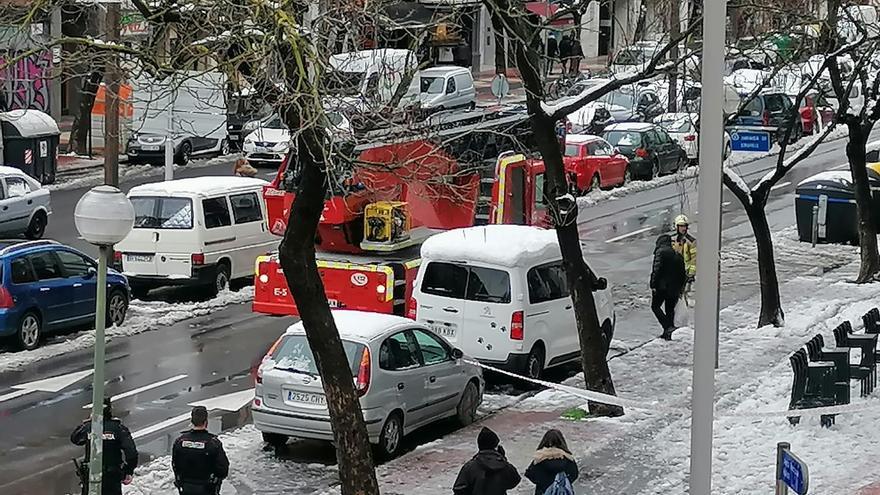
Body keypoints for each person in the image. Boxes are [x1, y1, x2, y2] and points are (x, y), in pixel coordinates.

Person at [70, 399, 139, 495]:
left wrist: (88, 423)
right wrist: (128, 471)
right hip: (112, 477)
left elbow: (75, 439)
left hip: (91, 476)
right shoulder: (118, 428)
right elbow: (131, 453)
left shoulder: (90, 427)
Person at [172, 406, 230, 495]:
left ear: (192, 421)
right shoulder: (213, 443)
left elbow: (175, 465)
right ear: (206, 422)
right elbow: (223, 469)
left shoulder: (180, 442)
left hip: (186, 488)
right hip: (207, 488)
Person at [453, 427, 521, 495]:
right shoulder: (504, 465)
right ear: (495, 446)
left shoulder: (470, 467)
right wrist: (502, 459)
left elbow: (459, 489)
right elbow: (515, 480)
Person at [650, 234, 687, 340]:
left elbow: (656, 270)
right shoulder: (677, 255)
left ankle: (668, 327)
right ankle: (668, 333)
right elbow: (682, 273)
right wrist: (680, 288)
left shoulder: (660, 252)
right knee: (669, 310)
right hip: (674, 289)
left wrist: (653, 284)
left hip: (662, 287)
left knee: (655, 307)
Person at [524, 429, 578, 495]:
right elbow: (574, 474)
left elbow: (530, 474)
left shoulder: (539, 459)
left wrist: (542, 483)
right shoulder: (568, 458)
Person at [671, 214, 697, 285]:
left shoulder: (691, 241)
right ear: (676, 227)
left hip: (686, 274)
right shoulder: (672, 240)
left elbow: (694, 259)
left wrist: (691, 274)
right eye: (681, 226)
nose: (684, 228)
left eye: (685, 226)